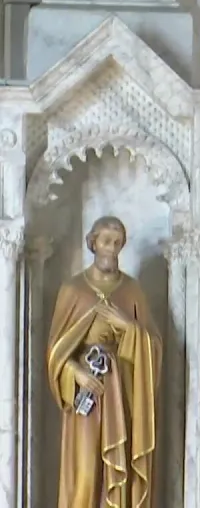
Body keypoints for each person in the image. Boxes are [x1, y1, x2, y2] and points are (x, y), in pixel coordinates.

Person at [47, 216, 162, 508]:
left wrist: (128, 326)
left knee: (118, 465)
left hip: (119, 393)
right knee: (85, 472)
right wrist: (76, 373)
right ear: (93, 242)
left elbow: (154, 346)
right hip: (86, 396)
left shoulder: (131, 290)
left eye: (118, 242)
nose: (112, 248)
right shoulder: (74, 290)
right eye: (107, 241)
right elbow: (56, 352)